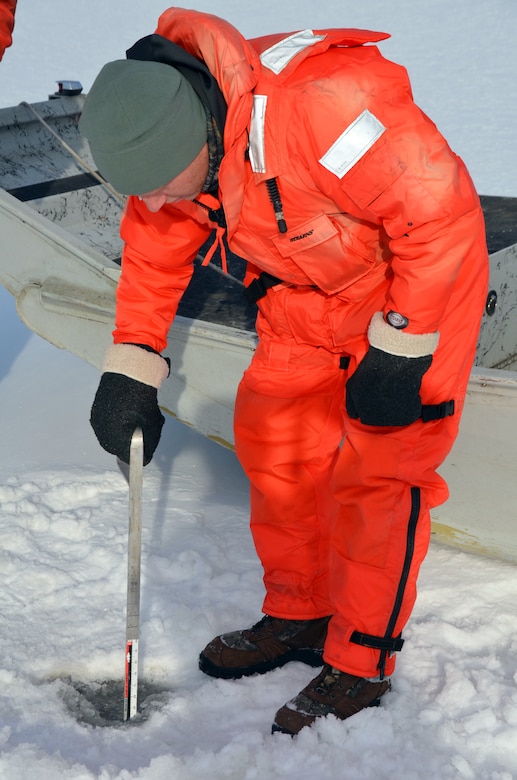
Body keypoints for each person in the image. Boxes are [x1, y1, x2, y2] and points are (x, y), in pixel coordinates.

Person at [79, 8, 489, 735]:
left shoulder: (327, 104)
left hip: (412, 289)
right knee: (276, 449)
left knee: (379, 476)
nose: (164, 204)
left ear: (206, 135)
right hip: (301, 291)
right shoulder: (169, 145)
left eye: (173, 188)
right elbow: (154, 248)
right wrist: (131, 369)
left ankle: (362, 662)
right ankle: (301, 613)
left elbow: (441, 219)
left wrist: (398, 352)